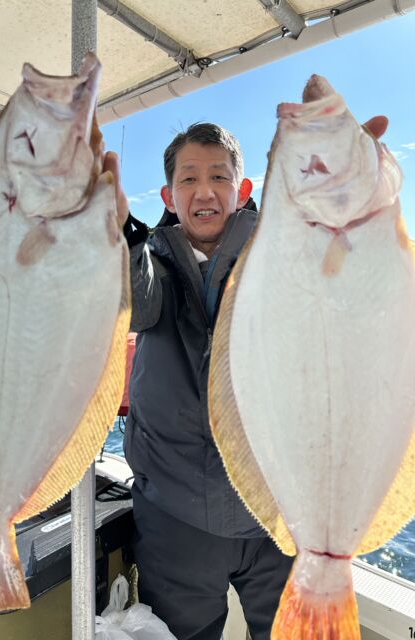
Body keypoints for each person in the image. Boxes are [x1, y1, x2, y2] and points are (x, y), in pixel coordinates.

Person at [101, 115, 388, 640]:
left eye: (219, 176)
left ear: (244, 189)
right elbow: (136, 303)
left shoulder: (284, 253)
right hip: (175, 519)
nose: (204, 191)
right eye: (188, 178)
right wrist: (118, 236)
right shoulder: (151, 259)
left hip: (278, 515)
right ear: (168, 196)